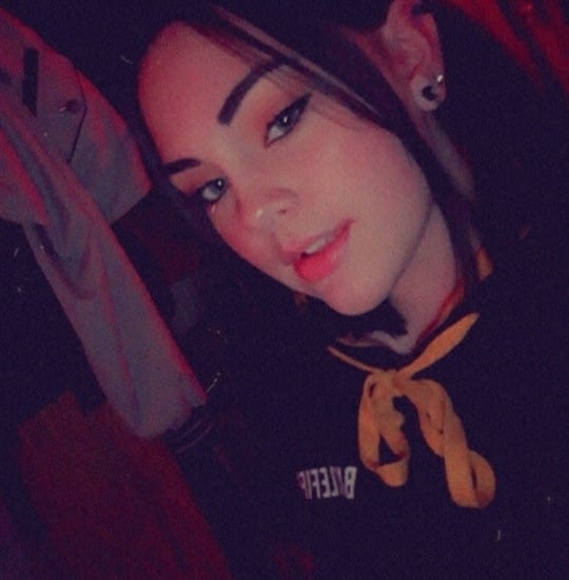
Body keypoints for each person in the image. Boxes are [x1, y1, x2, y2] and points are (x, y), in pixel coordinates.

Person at [137, 0, 568, 577]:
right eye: (211, 188)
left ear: (410, 54)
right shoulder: (293, 390)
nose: (253, 212)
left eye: (282, 119)